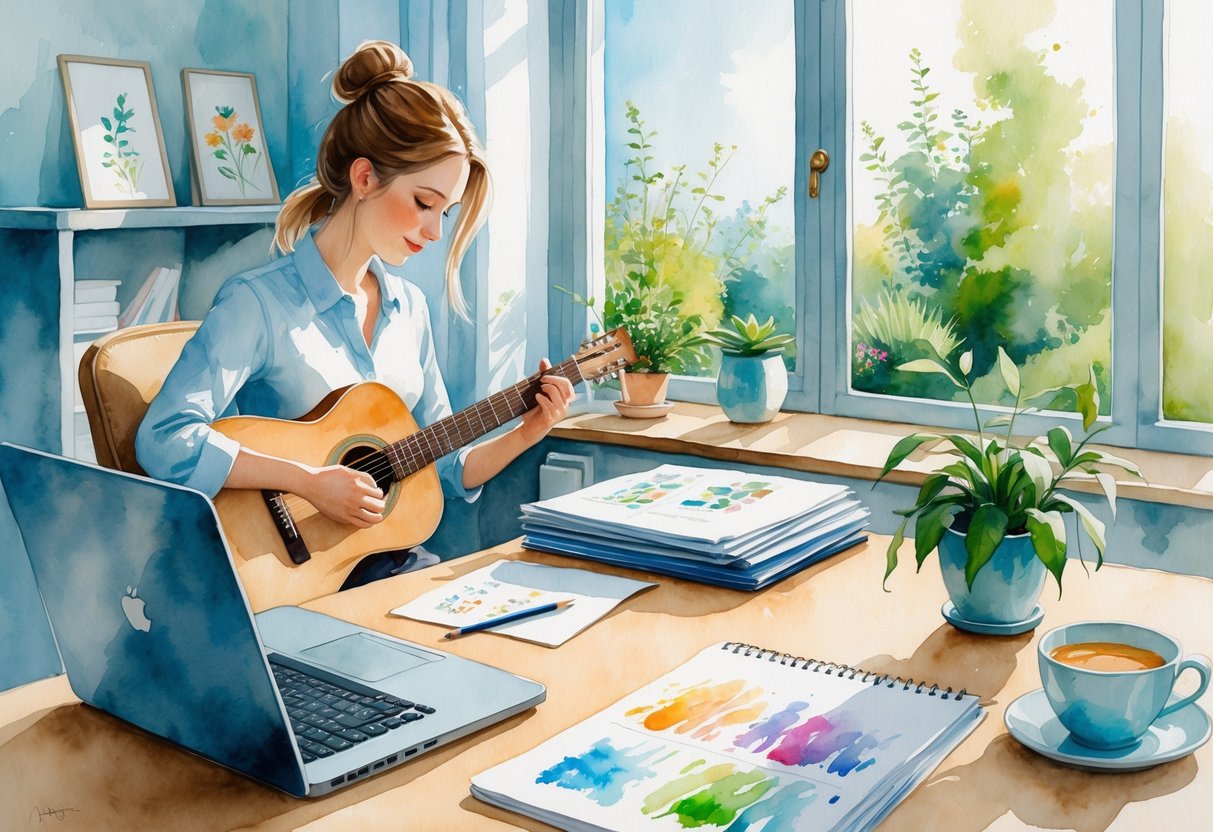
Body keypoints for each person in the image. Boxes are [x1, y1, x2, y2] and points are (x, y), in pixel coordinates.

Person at [136, 40, 575, 587]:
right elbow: (165, 437)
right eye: (423, 203)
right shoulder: (257, 304)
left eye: (447, 212)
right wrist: (309, 481)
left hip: (387, 571)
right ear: (365, 179)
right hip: (277, 581)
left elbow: (445, 467)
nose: (436, 232)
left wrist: (529, 429)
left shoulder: (409, 310)